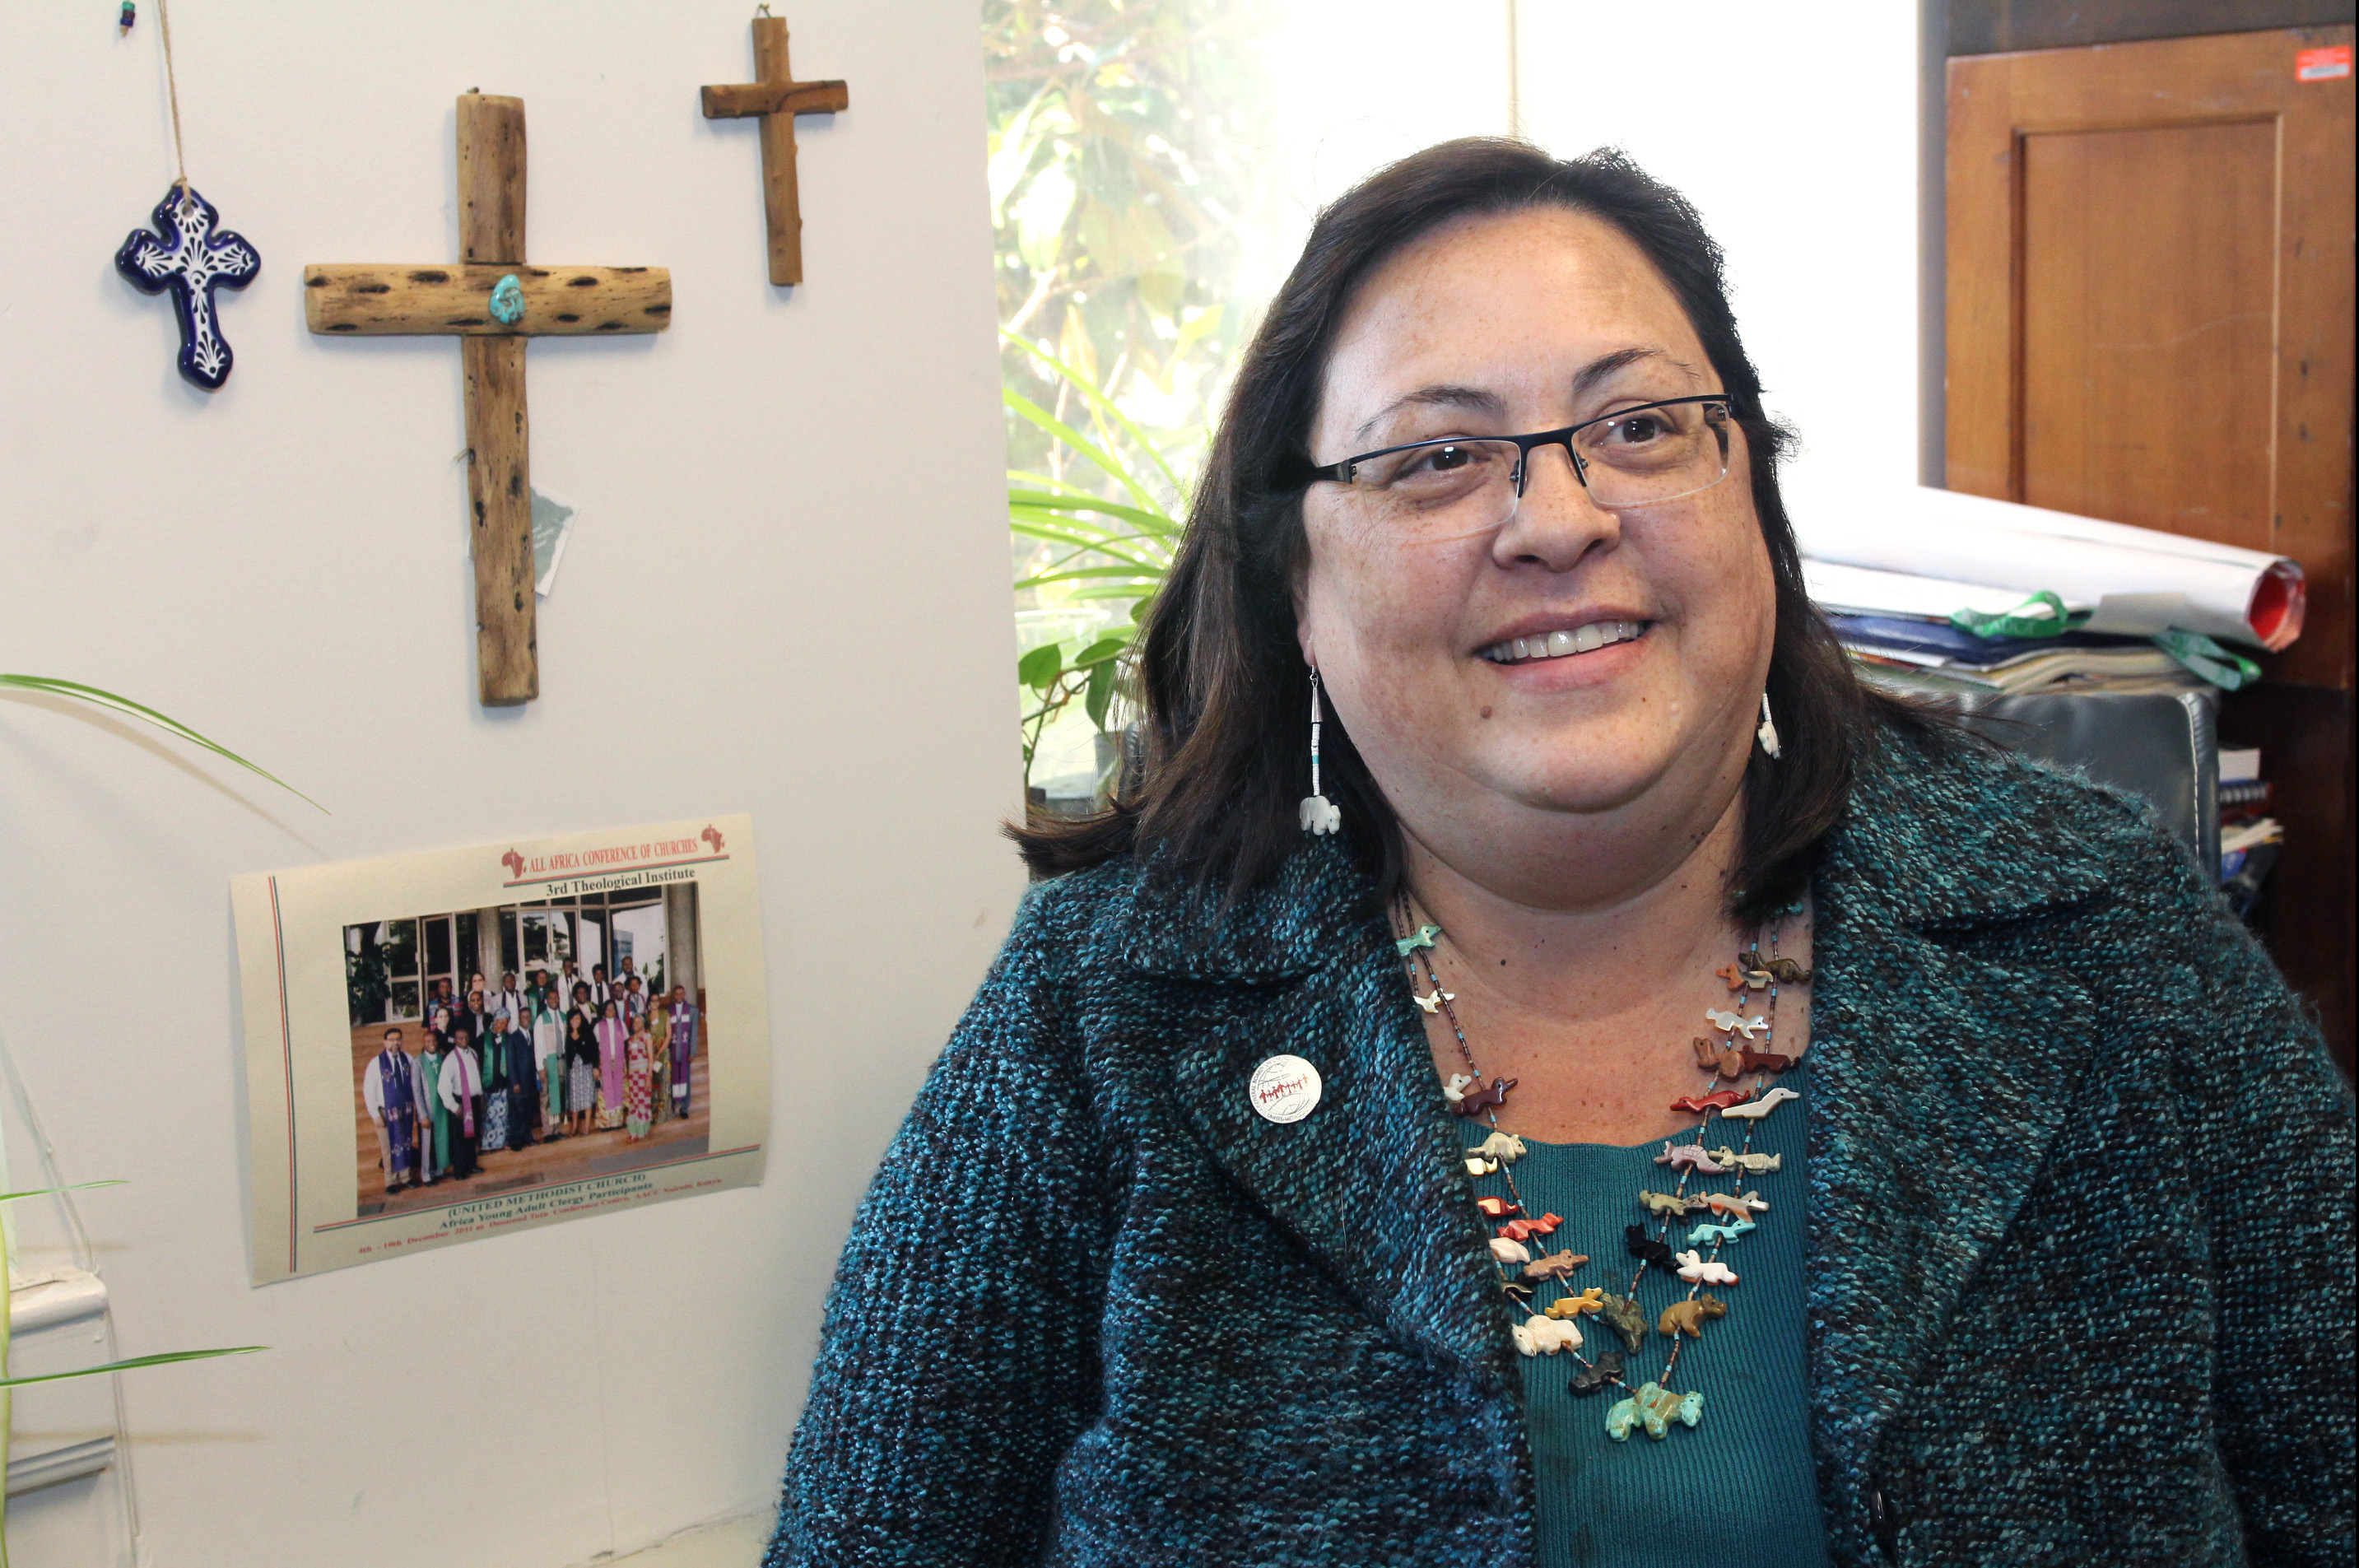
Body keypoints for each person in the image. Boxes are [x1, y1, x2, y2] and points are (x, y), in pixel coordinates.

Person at [768, 142, 2357, 1566]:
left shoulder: (2098, 929)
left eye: (1641, 426)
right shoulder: (1107, 1006)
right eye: (1437, 458)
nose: (1558, 518)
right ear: (1296, 593)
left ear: (1754, 505)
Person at [360, 1027, 416, 1195]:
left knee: (406, 1143)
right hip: (385, 1112)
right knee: (388, 1147)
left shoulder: (409, 1059)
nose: (395, 1043)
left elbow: (414, 1084)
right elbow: (368, 1091)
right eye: (391, 1039)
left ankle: (406, 1177)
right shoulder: (376, 1063)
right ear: (385, 1042)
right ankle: (390, 1181)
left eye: (398, 1039)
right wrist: (375, 1115)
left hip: (405, 1110)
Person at [437, 1022, 484, 1180]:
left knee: (473, 1135)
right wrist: (454, 1107)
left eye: (465, 1037)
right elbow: (443, 1087)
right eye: (459, 1038)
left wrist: (481, 1095)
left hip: (474, 1100)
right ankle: (460, 1170)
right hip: (460, 1102)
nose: (463, 1040)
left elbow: (477, 1077)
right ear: (455, 1040)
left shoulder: (473, 1053)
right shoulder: (450, 1060)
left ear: (469, 1038)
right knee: (459, 1138)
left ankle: (472, 1164)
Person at [493, 1009, 537, 1151]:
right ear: (519, 1018)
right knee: (517, 1113)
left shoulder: (532, 1035)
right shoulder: (513, 1038)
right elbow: (510, 1063)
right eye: (523, 1016)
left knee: (528, 1111)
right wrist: (515, 1083)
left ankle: (527, 1137)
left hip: (530, 1082)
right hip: (518, 1083)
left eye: (528, 1016)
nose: (526, 1019)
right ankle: (516, 1141)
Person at [532, 983, 566, 1139]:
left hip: (561, 1062)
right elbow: (538, 1046)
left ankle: (556, 1130)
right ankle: (548, 1132)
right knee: (547, 1097)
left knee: (558, 1096)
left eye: (556, 998)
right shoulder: (541, 1019)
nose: (553, 1000)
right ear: (546, 1000)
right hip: (548, 1062)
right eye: (550, 998)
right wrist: (540, 1068)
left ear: (559, 999)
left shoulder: (563, 1017)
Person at [413, 1021, 446, 1185]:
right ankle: (426, 1174)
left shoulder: (442, 1057)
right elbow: (417, 1091)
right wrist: (422, 1114)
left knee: (440, 1138)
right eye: (428, 1042)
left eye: (434, 1041)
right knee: (426, 1143)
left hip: (441, 1106)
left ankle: (439, 1169)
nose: (432, 1044)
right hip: (427, 1108)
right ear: (423, 1044)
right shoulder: (417, 1062)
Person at [565, 984, 599, 1138]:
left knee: (586, 1097)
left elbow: (594, 1052)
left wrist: (596, 1067)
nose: (576, 1021)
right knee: (574, 1099)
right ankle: (573, 1127)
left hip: (586, 1069)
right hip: (573, 1071)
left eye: (578, 1018)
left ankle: (586, 1127)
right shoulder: (568, 1036)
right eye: (573, 1019)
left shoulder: (588, 1034)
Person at [477, 1010, 512, 1154]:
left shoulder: (508, 1038)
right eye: (501, 1022)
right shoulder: (482, 1039)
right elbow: (478, 1062)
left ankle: (502, 1142)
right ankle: (487, 1145)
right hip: (488, 1083)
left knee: (503, 1115)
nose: (503, 1026)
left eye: (506, 1023)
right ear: (495, 1022)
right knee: (488, 1115)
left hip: (503, 1083)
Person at [593, 1000, 628, 1131]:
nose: (610, 1011)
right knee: (605, 1091)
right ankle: (605, 1123)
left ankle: (618, 1122)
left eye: (613, 1009)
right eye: (607, 1009)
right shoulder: (598, 1026)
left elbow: (625, 1044)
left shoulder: (621, 1024)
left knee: (618, 1090)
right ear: (604, 1011)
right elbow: (596, 1048)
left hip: (619, 1061)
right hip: (604, 1062)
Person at [665, 986, 697, 1121]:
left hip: (684, 1050)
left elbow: (694, 1033)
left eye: (681, 994)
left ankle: (684, 1108)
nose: (679, 996)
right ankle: (673, 1105)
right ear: (673, 995)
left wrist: (693, 1052)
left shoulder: (692, 1010)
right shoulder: (668, 1011)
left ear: (684, 995)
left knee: (685, 1078)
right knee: (673, 1078)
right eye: (676, 994)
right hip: (672, 1050)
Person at [623, 1019, 654, 1141]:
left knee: (642, 1103)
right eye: (634, 1022)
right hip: (632, 1077)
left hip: (643, 1075)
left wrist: (649, 1077)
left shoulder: (647, 1036)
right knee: (634, 1103)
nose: (636, 1024)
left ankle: (642, 1131)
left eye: (639, 1022)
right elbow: (629, 1059)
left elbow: (650, 1059)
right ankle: (634, 1131)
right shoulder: (630, 1039)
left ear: (643, 1024)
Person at [647, 998, 672, 1124]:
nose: (655, 1003)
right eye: (652, 1001)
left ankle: (663, 1114)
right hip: (650, 1056)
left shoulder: (665, 1014)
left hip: (663, 1054)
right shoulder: (646, 1018)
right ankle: (653, 1114)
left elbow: (669, 1035)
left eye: (657, 1000)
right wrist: (652, 1054)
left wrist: (659, 1052)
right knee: (653, 1085)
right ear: (649, 1003)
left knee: (663, 1083)